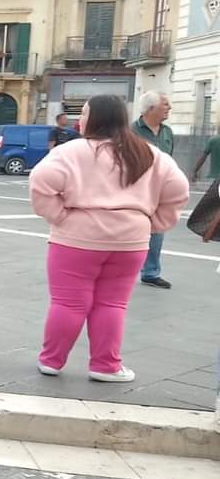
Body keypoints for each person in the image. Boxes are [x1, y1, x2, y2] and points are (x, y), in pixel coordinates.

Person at [30, 94, 189, 383]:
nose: (80, 119)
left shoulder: (72, 151)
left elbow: (41, 182)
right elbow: (178, 188)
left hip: (75, 239)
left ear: (93, 119)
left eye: (85, 113)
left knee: (68, 303)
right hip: (130, 242)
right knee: (112, 304)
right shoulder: (148, 152)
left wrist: (60, 217)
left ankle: (51, 361)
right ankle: (105, 366)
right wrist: (154, 223)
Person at [134, 91, 175, 289]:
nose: (169, 108)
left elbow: (170, 160)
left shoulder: (167, 132)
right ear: (151, 108)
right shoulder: (131, 131)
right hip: (135, 188)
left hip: (160, 189)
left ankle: (150, 273)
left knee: (157, 229)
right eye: (165, 104)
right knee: (130, 229)